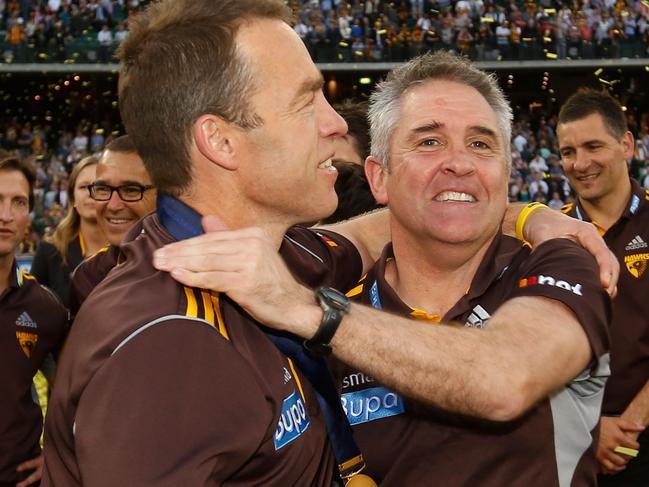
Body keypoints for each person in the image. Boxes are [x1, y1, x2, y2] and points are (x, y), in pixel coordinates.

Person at [44, 2, 615, 485]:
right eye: (306, 101)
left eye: (482, 146)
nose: (336, 122)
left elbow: (383, 235)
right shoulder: (167, 342)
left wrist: (520, 214)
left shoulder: (287, 266)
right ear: (220, 141)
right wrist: (314, 312)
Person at [557, 88, 649, 486]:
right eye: (567, 152)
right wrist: (590, 430)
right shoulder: (546, 239)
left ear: (626, 144)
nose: (580, 164)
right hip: (568, 443)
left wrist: (630, 425)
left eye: (593, 146)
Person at [0, 155, 68, 487]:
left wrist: (60, 454)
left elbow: (80, 388)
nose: (5, 215)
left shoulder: (44, 308)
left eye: (18, 202)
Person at [68, 135, 155, 315]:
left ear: (163, 194)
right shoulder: (87, 277)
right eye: (103, 189)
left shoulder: (199, 270)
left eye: (131, 190)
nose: (113, 205)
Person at [30, 155, 106, 307]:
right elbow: (32, 315)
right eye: (84, 187)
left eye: (100, 187)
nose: (91, 193)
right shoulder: (49, 251)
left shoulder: (130, 250)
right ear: (73, 198)